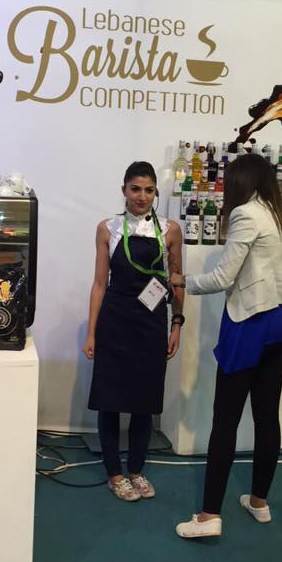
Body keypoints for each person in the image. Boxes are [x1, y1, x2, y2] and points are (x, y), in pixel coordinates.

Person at [170, 152, 282, 538]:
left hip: (249, 325)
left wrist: (183, 280)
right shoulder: (278, 214)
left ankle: (209, 515)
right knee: (267, 416)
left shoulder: (245, 214)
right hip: (281, 321)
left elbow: (223, 278)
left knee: (224, 419)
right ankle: (259, 501)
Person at [84, 161, 184, 501]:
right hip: (114, 320)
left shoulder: (170, 230)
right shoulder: (107, 229)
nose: (142, 196)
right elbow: (99, 284)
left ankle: (137, 470)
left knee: (145, 400)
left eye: (149, 190)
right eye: (135, 189)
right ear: (124, 190)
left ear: (156, 192)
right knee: (110, 400)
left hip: (152, 322)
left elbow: (177, 281)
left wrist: (177, 323)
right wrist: (92, 333)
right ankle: (115, 473)